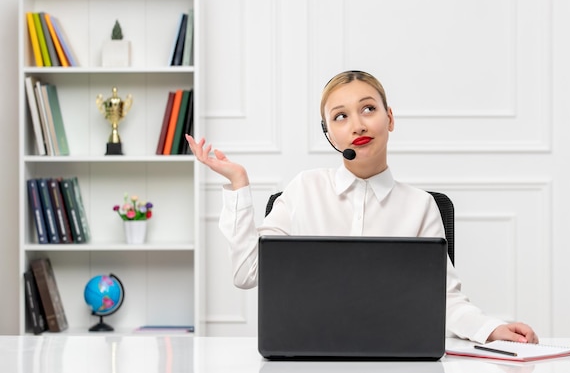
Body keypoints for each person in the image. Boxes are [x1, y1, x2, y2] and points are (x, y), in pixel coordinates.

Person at [185, 70, 539, 344]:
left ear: (390, 118)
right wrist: (238, 184)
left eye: (368, 109)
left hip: (396, 355)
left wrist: (491, 329)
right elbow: (247, 273)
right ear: (330, 135)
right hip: (309, 353)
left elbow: (444, 302)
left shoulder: (421, 206)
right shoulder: (304, 189)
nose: (357, 125)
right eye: (340, 117)